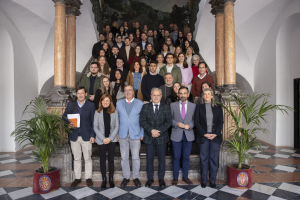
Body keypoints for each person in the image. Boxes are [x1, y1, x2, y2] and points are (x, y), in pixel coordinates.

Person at [62, 86, 95, 187]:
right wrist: (68, 123)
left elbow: (94, 121)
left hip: (87, 136)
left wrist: (93, 135)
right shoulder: (71, 104)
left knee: (87, 158)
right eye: (78, 93)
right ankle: (77, 178)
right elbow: (64, 117)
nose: (80, 95)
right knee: (76, 158)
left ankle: (88, 178)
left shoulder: (91, 105)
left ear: (86, 94)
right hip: (74, 136)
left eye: (82, 93)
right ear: (76, 94)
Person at [140, 88, 172, 188]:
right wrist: (151, 130)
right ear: (151, 96)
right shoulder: (145, 107)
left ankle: (161, 178)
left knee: (162, 159)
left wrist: (159, 131)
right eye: (154, 95)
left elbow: (169, 122)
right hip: (149, 137)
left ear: (161, 96)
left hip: (162, 137)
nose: (156, 97)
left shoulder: (166, 107)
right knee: (149, 159)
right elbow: (142, 121)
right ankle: (150, 178)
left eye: (158, 95)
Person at [116, 84, 144, 188]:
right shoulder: (118, 103)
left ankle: (136, 177)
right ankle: (126, 177)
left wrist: (141, 133)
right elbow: (117, 119)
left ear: (133, 92)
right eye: (126, 90)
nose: (128, 92)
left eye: (130, 90)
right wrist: (117, 133)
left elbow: (142, 119)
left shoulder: (140, 103)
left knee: (136, 157)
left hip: (136, 134)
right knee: (124, 157)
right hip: (123, 134)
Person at [195, 88, 223, 188]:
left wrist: (215, 133)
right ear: (202, 96)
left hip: (215, 137)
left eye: (209, 94)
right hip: (203, 137)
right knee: (204, 159)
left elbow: (220, 122)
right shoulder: (199, 107)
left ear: (212, 96)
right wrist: (204, 134)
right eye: (205, 94)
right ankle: (203, 180)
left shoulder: (218, 107)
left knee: (214, 159)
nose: (207, 96)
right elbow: (196, 122)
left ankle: (212, 181)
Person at [170, 86, 196, 186]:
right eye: (181, 93)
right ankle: (175, 178)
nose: (183, 95)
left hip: (188, 134)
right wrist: (176, 123)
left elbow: (195, 120)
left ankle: (185, 177)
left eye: (185, 93)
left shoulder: (193, 106)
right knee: (176, 157)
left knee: (186, 157)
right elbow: (170, 119)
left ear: (188, 94)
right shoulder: (173, 105)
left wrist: (190, 125)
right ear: (178, 94)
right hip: (176, 134)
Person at [94, 94, 119, 189]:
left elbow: (117, 126)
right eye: (103, 100)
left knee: (111, 160)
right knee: (102, 160)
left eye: (107, 100)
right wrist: (103, 138)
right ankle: (104, 179)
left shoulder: (114, 112)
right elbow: (95, 127)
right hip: (101, 140)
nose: (105, 102)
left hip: (111, 140)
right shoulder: (97, 112)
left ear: (110, 102)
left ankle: (111, 179)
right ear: (101, 102)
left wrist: (110, 138)